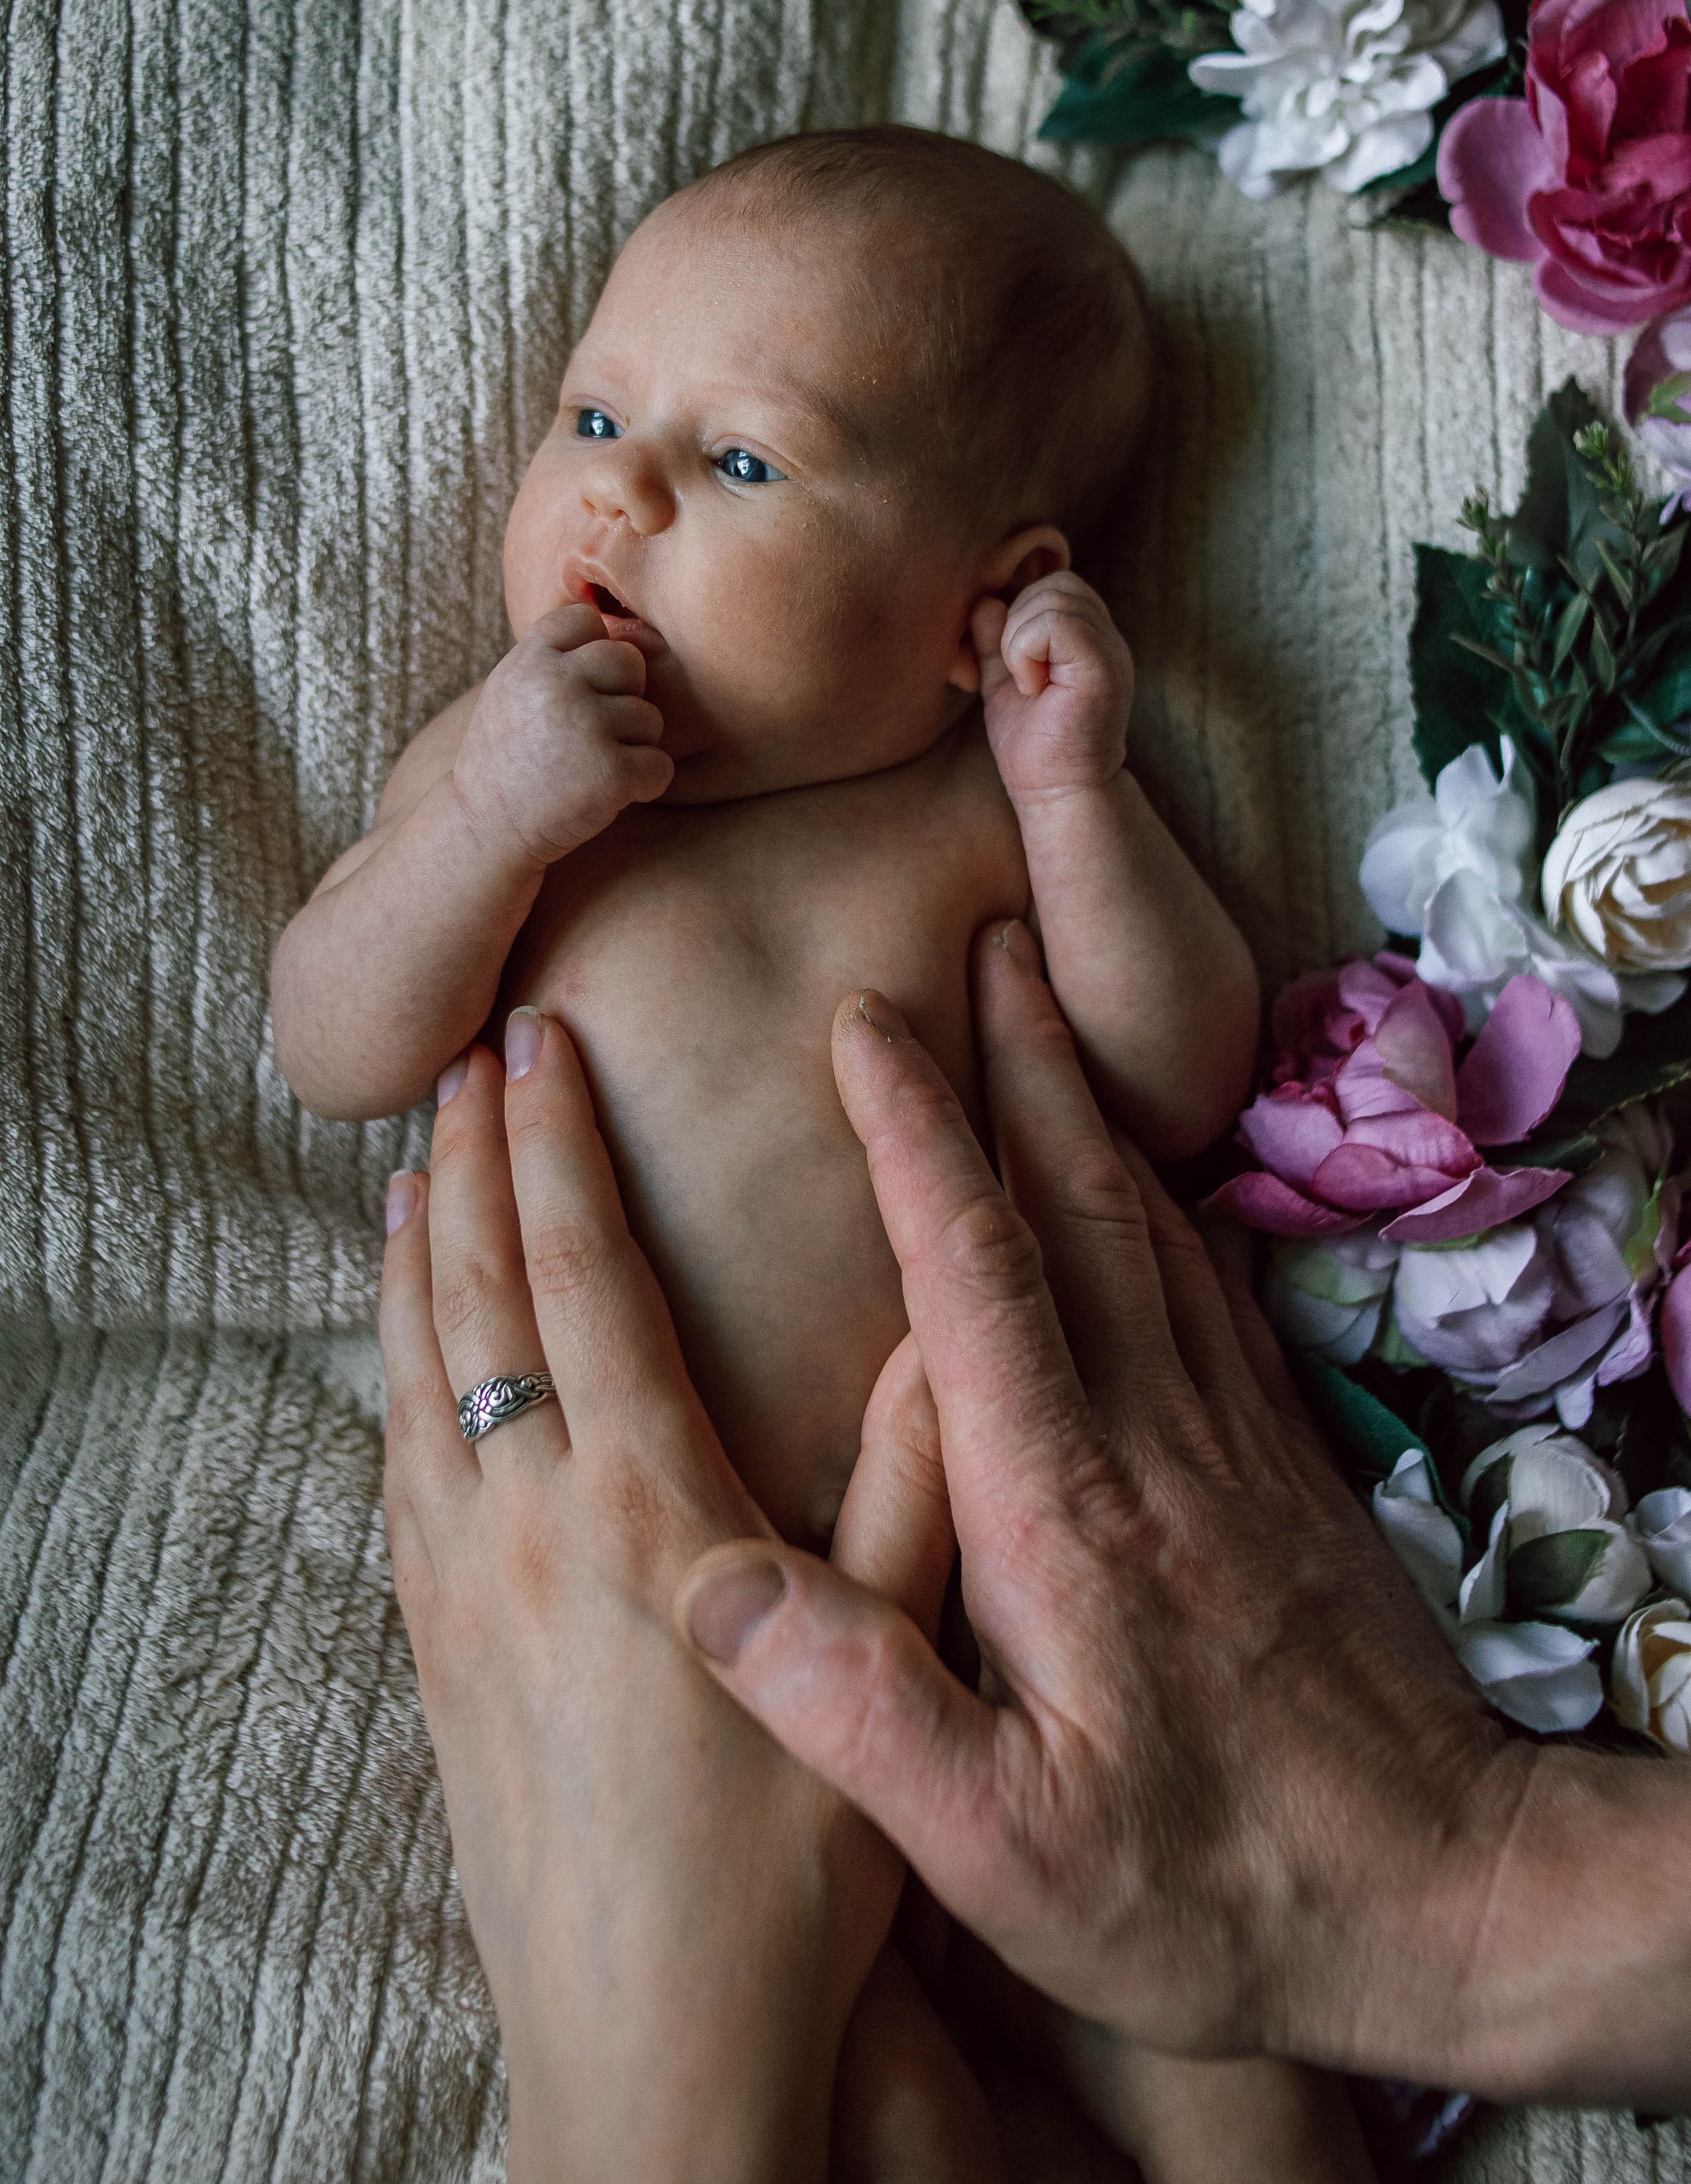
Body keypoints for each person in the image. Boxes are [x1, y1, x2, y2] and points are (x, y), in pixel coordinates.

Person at [289, 124, 1356, 2177]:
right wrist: (485, 819)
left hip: (1006, 1614)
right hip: (650, 1642)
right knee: (866, 2106)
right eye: (595, 414)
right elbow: (333, 1036)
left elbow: (1179, 1073)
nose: (620, 487)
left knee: (1210, 2034)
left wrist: (1079, 787)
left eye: (744, 462)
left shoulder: (983, 800)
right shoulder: (513, 772)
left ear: (986, 604)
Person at [379, 933, 1691, 2184]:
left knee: (1202, 2071)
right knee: (968, 2092)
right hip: (941, 1651)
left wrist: (639, 2087)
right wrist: (1470, 1883)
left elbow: (1178, 1068)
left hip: (1006, 1638)